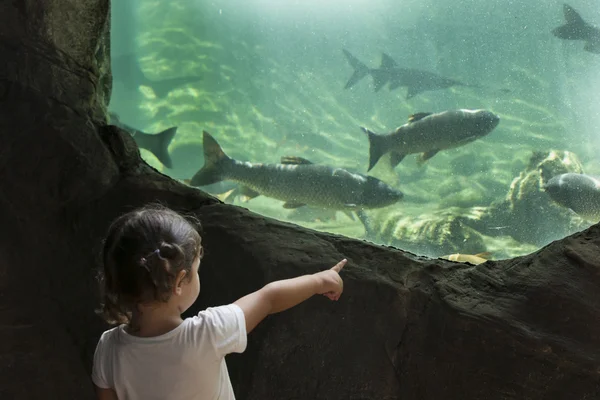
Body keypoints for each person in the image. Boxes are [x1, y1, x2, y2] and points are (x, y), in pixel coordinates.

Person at [91, 203, 346, 400]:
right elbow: (269, 298)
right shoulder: (208, 334)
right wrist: (319, 281)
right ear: (180, 281)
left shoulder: (108, 348)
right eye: (197, 268)